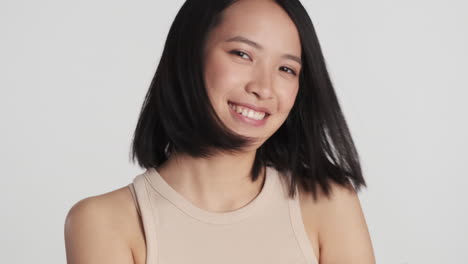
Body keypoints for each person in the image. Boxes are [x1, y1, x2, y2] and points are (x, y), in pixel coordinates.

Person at [64, 0, 376, 263]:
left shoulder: (328, 204)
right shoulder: (105, 222)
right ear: (189, 55)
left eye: (286, 69)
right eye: (242, 54)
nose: (264, 88)